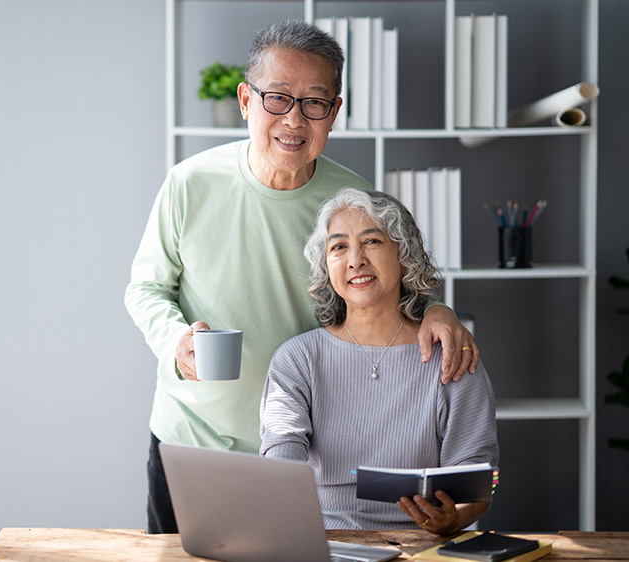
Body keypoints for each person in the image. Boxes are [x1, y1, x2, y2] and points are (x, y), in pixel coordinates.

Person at [124, 19, 479, 534]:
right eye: (277, 99)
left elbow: (383, 288)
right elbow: (146, 288)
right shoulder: (189, 183)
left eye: (315, 102)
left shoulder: (352, 201)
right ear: (246, 101)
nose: (294, 118)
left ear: (334, 112)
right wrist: (177, 340)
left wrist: (438, 309)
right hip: (194, 440)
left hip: (311, 454)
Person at [259, 188, 499, 535]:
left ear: (405, 254)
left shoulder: (449, 355)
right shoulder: (297, 360)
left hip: (422, 544)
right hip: (323, 540)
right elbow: (281, 461)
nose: (355, 260)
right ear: (327, 266)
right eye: (338, 247)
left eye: (371, 241)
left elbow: (479, 475)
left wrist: (455, 519)